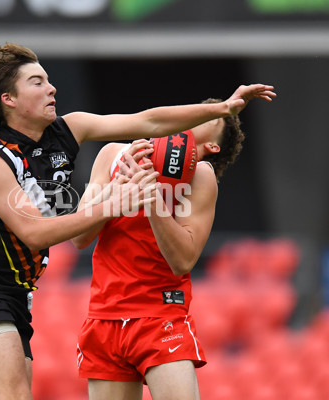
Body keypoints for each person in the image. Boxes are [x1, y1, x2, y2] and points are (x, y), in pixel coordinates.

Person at [0, 42, 276, 400]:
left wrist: (225, 107)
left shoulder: (70, 129)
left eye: (49, 80)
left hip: (20, 294)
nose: (52, 88)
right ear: (9, 99)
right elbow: (35, 234)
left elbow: (149, 120)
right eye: (37, 82)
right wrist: (115, 200)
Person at [71, 98, 252, 400]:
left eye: (205, 119)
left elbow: (183, 260)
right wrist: (116, 192)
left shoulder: (201, 177)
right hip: (105, 315)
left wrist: (151, 196)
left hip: (160, 315)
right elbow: (79, 238)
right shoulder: (112, 154)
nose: (188, 119)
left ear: (210, 147)